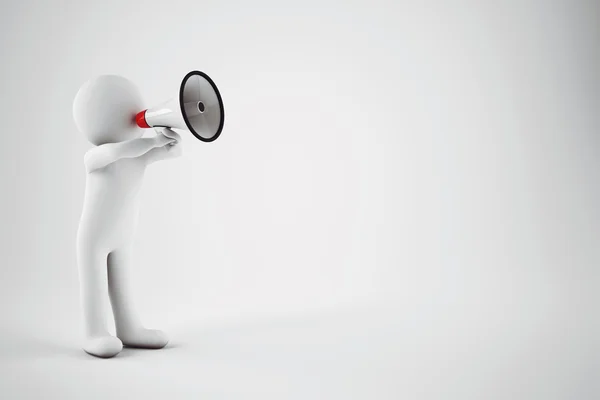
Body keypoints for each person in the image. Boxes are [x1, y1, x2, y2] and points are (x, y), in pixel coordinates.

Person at [73, 75, 182, 358]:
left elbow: (174, 153)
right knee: (95, 286)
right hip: (93, 238)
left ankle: (129, 328)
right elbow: (115, 151)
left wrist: (169, 140)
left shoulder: (139, 154)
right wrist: (150, 142)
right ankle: (94, 333)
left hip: (123, 235)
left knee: (123, 287)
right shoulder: (95, 157)